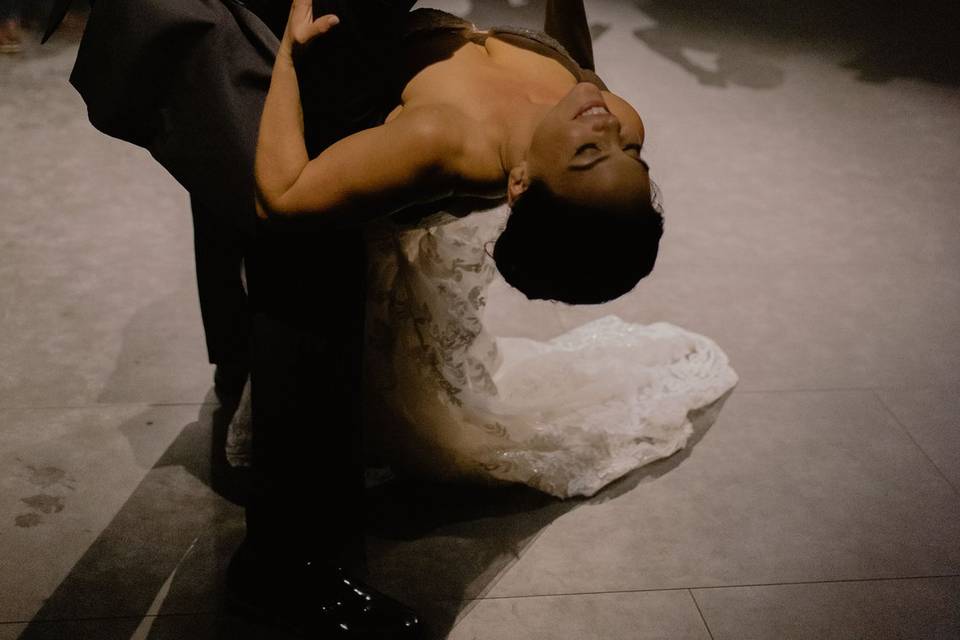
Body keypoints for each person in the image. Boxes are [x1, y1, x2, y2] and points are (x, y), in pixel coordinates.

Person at [48, 1, 702, 638]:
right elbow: (580, 74)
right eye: (620, 152)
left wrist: (290, 59)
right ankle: (277, 514)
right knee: (285, 257)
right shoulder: (603, 120)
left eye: (600, 154)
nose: (608, 129)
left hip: (323, 87)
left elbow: (282, 197)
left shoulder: (452, 141)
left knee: (304, 269)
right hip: (289, 45)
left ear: (524, 186)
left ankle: (283, 551)